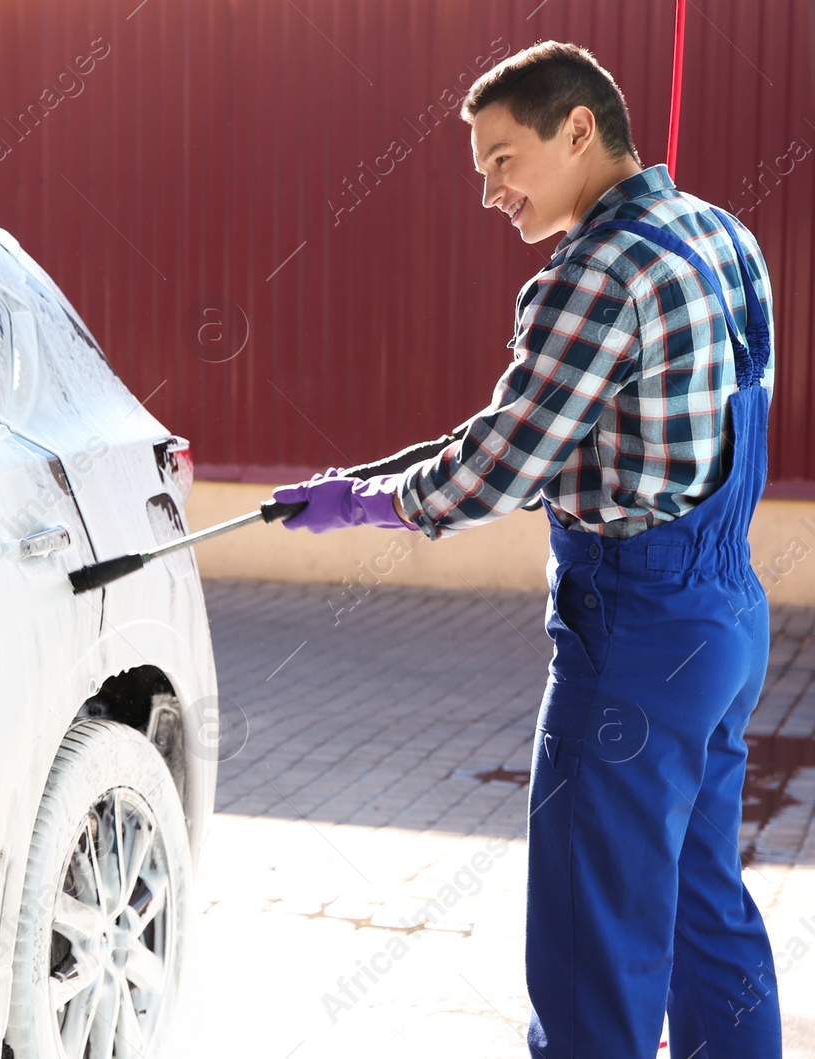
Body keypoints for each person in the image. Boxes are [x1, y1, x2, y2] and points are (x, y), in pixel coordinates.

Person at [273, 41, 781, 1058]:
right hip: (723, 619)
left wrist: (363, 505)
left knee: (592, 936)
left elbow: (495, 471)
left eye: (502, 159)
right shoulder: (723, 234)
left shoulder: (591, 272)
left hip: (632, 637)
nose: (489, 192)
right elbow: (619, 415)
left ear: (578, 127)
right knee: (699, 905)